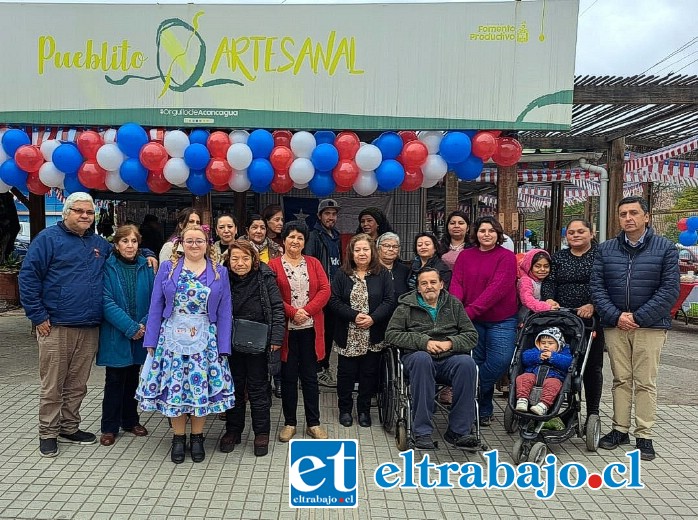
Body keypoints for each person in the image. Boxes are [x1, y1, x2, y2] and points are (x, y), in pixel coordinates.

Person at [19, 193, 112, 457]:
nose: (85, 216)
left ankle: (69, 427)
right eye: (79, 211)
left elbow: (124, 251)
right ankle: (47, 432)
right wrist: (37, 315)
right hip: (56, 325)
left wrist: (149, 253)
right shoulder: (48, 239)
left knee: (78, 383)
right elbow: (28, 277)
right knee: (53, 383)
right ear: (65, 212)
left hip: (89, 326)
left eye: (89, 212)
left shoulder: (97, 244)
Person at [591, 196, 679, 461]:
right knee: (620, 379)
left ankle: (644, 434)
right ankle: (619, 429)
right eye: (623, 214)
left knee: (645, 381)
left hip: (650, 326)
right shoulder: (606, 249)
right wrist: (617, 316)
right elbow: (597, 287)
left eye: (633, 213)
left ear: (646, 217)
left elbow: (669, 290)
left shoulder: (665, 248)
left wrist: (638, 317)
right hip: (615, 324)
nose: (628, 218)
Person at [137, 224, 235, 464]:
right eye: (189, 241)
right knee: (176, 389)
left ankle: (198, 437)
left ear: (207, 244)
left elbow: (225, 311)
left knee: (200, 389)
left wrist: (223, 346)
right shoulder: (168, 270)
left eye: (199, 241)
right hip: (172, 340)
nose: (194, 245)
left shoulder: (219, 271)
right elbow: (156, 305)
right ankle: (178, 438)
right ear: (181, 244)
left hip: (206, 341)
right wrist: (151, 339)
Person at [385, 267, 479, 450]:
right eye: (424, 283)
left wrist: (450, 343)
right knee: (422, 360)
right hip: (416, 357)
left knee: (467, 363)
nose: (429, 286)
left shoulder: (453, 304)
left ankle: (459, 431)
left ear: (441, 284)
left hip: (448, 358)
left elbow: (471, 335)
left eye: (433, 282)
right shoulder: (406, 307)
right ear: (418, 288)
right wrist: (424, 342)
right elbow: (391, 335)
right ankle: (422, 432)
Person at [450, 216, 518, 426]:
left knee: (500, 361)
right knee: (476, 363)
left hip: (501, 319)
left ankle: (471, 389)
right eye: (482, 230)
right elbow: (457, 283)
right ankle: (483, 410)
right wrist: (458, 309)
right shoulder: (465, 256)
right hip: (472, 320)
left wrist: (469, 311)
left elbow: (496, 289)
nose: (486, 234)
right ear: (475, 233)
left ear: (498, 234)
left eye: (491, 230)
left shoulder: (506, 257)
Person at [220, 240, 285, 457]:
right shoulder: (222, 278)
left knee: (258, 389)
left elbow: (277, 308)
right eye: (235, 258)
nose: (240, 263)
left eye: (245, 258)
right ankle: (233, 430)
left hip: (258, 342)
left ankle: (261, 433)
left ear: (254, 259)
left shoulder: (265, 277)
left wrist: (276, 338)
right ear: (228, 260)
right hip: (230, 342)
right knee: (234, 388)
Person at [268, 222, 331, 442]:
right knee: (288, 378)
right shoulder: (273, 266)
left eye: (300, 238)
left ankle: (314, 423)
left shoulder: (313, 263)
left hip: (310, 329)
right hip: (286, 331)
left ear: (305, 242)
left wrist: (307, 311)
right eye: (291, 237)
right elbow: (272, 295)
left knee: (310, 378)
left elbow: (325, 290)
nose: (296, 241)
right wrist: (293, 312)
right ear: (283, 240)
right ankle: (290, 422)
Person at [541, 219, 604, 428]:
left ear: (591, 233)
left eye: (581, 231)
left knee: (591, 366)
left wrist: (593, 304)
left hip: (590, 319)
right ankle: (564, 408)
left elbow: (608, 283)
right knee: (562, 362)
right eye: (571, 232)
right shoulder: (558, 258)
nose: (575, 235)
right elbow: (549, 282)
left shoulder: (601, 256)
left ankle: (592, 412)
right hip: (562, 318)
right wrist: (549, 299)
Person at [97, 224, 155, 447]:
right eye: (125, 241)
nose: (130, 246)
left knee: (133, 377)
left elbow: (155, 300)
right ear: (117, 244)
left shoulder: (147, 266)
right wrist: (131, 328)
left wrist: (143, 325)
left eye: (134, 241)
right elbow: (106, 301)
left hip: (141, 332)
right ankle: (109, 427)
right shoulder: (107, 267)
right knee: (114, 380)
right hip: (117, 332)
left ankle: (130, 420)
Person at [329, 234, 394, 428]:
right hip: (348, 333)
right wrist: (354, 315)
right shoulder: (342, 274)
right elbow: (333, 301)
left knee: (369, 374)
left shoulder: (382, 273)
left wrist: (373, 318)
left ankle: (364, 411)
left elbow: (389, 301)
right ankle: (345, 410)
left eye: (365, 249)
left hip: (373, 333)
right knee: (346, 375)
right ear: (351, 253)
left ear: (372, 251)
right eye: (357, 250)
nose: (361, 253)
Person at [305, 198, 343, 388]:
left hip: (335, 295)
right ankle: (316, 369)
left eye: (334, 214)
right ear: (319, 216)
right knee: (318, 333)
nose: (331, 217)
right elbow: (311, 264)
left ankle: (324, 366)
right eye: (327, 213)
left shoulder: (336, 236)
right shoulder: (314, 236)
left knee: (329, 333)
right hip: (320, 294)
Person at [514, 327, 572, 415]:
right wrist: (538, 356)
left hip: (553, 376)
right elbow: (525, 357)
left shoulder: (563, 353)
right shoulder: (536, 351)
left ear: (559, 344)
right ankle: (522, 399)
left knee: (553, 384)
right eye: (543, 343)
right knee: (523, 378)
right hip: (534, 374)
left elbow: (568, 363)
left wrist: (553, 356)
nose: (546, 345)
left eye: (550, 343)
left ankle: (543, 405)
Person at [518, 248, 559, 319]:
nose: (542, 269)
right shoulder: (525, 281)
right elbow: (527, 299)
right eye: (537, 266)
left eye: (546, 266)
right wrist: (545, 307)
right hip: (527, 317)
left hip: (544, 316)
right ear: (528, 266)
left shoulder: (548, 280)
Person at [376, 232, 410, 304]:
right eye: (386, 246)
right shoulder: (371, 269)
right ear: (378, 248)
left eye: (395, 246)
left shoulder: (405, 270)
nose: (391, 249)